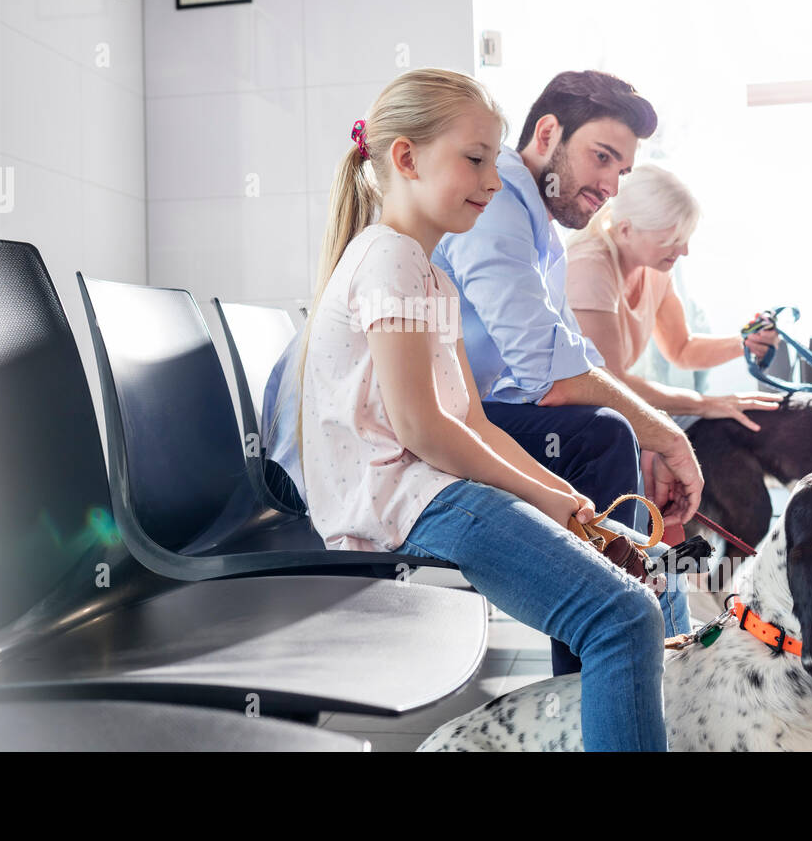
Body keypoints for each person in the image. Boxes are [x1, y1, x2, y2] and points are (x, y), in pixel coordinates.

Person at [298, 67, 667, 750]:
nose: (493, 182)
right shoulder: (389, 261)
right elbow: (421, 429)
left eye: (494, 163)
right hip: (410, 503)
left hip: (434, 493)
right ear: (405, 159)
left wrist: (562, 496)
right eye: (474, 160)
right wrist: (544, 498)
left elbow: (471, 419)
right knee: (623, 616)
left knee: (630, 601)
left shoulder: (429, 271)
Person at [431, 70, 695, 676]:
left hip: (462, 406)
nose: (610, 185)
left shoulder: (536, 227)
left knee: (608, 443)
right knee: (601, 434)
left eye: (622, 171)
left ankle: (660, 661)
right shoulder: (495, 203)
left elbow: (563, 363)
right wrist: (666, 436)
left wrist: (648, 441)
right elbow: (552, 375)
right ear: (547, 133)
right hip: (421, 419)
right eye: (601, 157)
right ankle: (602, 669)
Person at [564, 163, 781, 429]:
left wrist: (745, 343)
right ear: (625, 230)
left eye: (685, 238)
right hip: (565, 415)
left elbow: (681, 348)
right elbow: (610, 383)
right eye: (673, 240)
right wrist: (707, 403)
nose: (685, 251)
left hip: (606, 407)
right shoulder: (588, 268)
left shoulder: (655, 271)